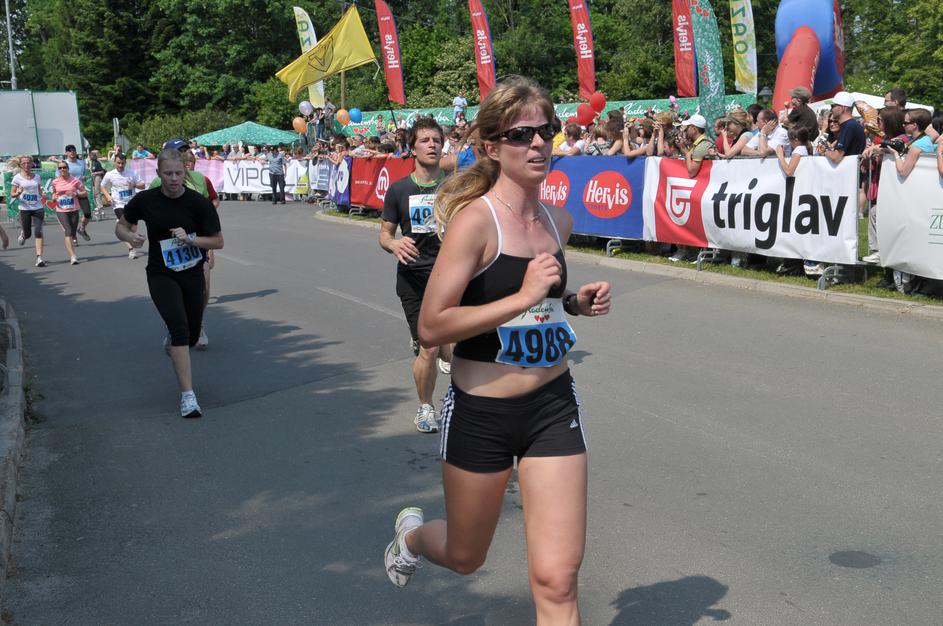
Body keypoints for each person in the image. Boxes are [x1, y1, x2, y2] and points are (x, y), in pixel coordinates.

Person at [383, 77, 611, 626]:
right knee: (466, 556)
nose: (538, 143)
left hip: (552, 408)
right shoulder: (475, 222)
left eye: (546, 131)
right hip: (481, 414)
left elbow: (541, 304)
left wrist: (572, 303)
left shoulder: (557, 221)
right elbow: (433, 325)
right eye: (521, 134)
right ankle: (412, 537)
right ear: (492, 146)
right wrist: (523, 296)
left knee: (558, 581)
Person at [115, 148, 223, 418]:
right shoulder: (146, 200)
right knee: (179, 330)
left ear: (185, 172)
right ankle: (188, 397)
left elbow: (218, 241)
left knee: (193, 335)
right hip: (161, 273)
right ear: (158, 174)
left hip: (192, 272)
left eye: (178, 173)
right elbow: (121, 226)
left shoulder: (198, 203)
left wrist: (191, 239)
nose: (173, 178)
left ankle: (176, 341)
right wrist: (129, 237)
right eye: (168, 174)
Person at [379, 117, 454, 432]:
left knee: (454, 347)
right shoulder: (399, 190)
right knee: (430, 347)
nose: (432, 145)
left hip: (451, 276)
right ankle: (425, 408)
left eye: (436, 140)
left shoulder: (455, 186)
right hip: (413, 278)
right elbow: (384, 234)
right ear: (412, 148)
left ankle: (461, 402)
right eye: (424, 140)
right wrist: (394, 244)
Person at [100, 154, 145, 259]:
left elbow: (143, 185)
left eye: (122, 163)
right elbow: (102, 186)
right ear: (114, 162)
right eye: (118, 163)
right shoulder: (110, 174)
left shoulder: (132, 173)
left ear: (125, 163)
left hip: (131, 203)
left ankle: (125, 231)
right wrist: (108, 196)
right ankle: (131, 249)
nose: (120, 165)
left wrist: (134, 185)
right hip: (118, 203)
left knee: (133, 228)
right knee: (124, 226)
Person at [10, 156, 47, 266]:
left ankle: (39, 258)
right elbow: (12, 194)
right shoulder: (17, 178)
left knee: (38, 231)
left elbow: (39, 190)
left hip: (38, 207)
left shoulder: (37, 177)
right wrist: (18, 193)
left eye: (28, 163)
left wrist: (42, 194)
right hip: (25, 208)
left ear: (32, 164)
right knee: (28, 234)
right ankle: (24, 234)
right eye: (24, 163)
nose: (26, 165)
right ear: (21, 165)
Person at [51, 161, 87, 265]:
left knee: (73, 232)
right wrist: (53, 197)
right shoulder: (55, 182)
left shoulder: (75, 180)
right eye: (60, 168)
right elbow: (53, 194)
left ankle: (74, 237)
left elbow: (85, 193)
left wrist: (75, 194)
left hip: (73, 209)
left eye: (64, 167)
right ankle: (73, 256)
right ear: (58, 170)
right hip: (61, 210)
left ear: (68, 168)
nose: (62, 169)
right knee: (68, 231)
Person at [821, 91, 866, 164]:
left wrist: (825, 151)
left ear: (842, 108)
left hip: (848, 170)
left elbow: (836, 157)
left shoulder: (849, 126)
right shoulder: (851, 125)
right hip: (850, 168)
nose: (831, 110)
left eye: (833, 106)